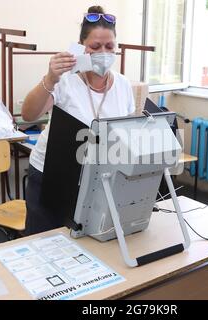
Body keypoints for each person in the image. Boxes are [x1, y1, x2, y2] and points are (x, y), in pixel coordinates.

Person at [21, 5, 135, 236]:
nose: (103, 52)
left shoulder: (123, 85)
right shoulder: (65, 80)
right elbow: (29, 115)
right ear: (82, 47)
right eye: (95, 46)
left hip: (95, 176)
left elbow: (126, 131)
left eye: (109, 46)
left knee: (83, 242)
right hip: (51, 174)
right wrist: (50, 78)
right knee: (44, 241)